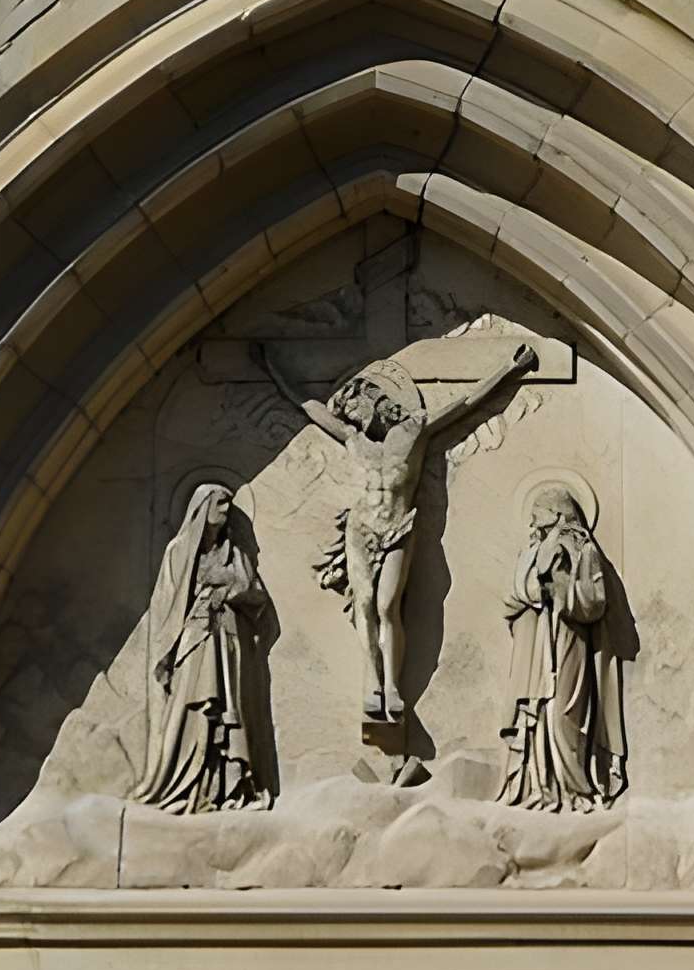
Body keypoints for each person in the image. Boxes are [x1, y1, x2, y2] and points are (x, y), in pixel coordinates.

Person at [279, 340, 538, 729]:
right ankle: (373, 683)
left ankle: (393, 687)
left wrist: (510, 369)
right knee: (364, 606)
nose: (351, 416)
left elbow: (467, 403)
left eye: (354, 407)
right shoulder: (356, 441)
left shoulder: (414, 433)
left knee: (387, 607)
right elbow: (311, 409)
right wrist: (273, 371)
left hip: (398, 528)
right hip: (361, 528)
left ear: (374, 401)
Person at [131, 482, 269, 813]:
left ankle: (226, 787)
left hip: (228, 638)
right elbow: (168, 604)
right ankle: (183, 782)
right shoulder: (179, 552)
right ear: (202, 507)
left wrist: (229, 585)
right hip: (194, 639)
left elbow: (255, 593)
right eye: (221, 502)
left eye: (230, 503)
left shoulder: (234, 554)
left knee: (227, 711)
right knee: (193, 708)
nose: (226, 509)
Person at [497, 482, 626, 811]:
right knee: (536, 715)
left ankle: (575, 790)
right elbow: (511, 599)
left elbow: (595, 601)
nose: (531, 521)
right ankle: (541, 789)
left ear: (556, 513)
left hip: (568, 639)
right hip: (536, 644)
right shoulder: (528, 552)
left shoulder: (584, 549)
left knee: (562, 713)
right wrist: (535, 592)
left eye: (537, 512)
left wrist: (561, 591)